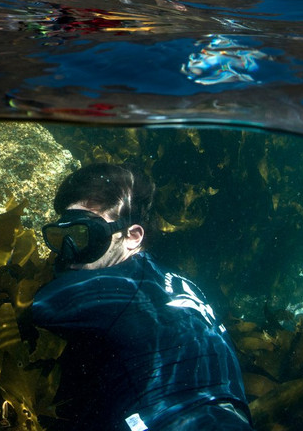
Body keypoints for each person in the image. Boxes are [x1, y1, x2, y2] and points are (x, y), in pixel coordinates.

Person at [31, 163, 253, 431]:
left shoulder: (114, 287)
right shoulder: (178, 282)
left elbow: (30, 308)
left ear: (132, 236)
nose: (68, 254)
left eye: (85, 235)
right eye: (60, 237)